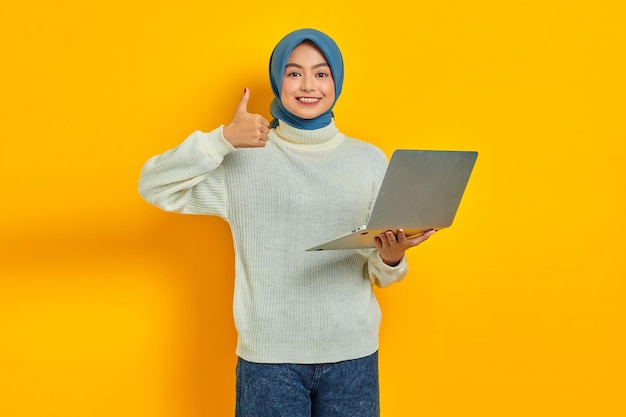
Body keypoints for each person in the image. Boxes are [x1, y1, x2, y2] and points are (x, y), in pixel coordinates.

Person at [139, 28, 435, 417]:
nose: (308, 85)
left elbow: (380, 271)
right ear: (278, 80)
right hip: (270, 359)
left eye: (321, 73)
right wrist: (223, 139)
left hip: (352, 355)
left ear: (337, 82)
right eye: (294, 73)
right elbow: (154, 185)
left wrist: (392, 258)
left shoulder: (369, 160)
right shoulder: (244, 159)